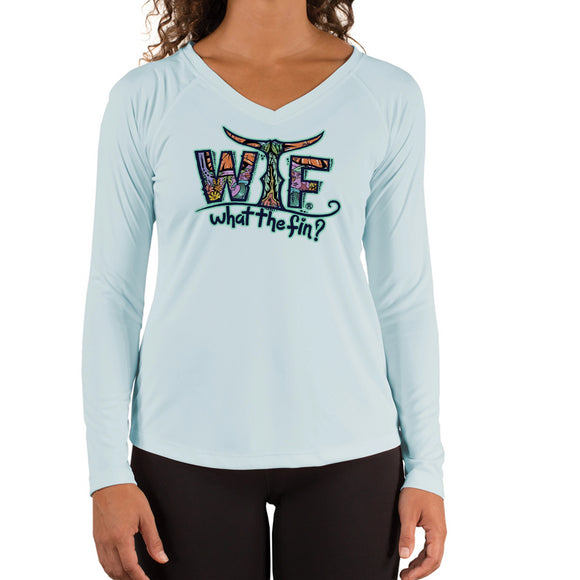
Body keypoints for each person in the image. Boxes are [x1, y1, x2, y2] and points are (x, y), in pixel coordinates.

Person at [81, 1, 447, 579]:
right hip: (183, 447)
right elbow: (114, 294)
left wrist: (427, 466)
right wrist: (107, 471)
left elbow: (404, 295)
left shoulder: (387, 96)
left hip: (350, 447)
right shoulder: (146, 97)